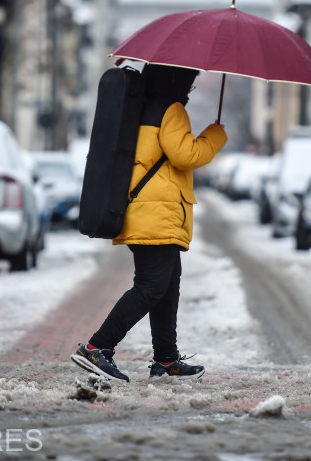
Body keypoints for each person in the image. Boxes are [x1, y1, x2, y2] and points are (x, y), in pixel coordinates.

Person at [70, 64, 228, 382]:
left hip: (146, 210)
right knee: (151, 286)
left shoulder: (141, 107)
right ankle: (96, 347)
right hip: (158, 213)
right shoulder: (170, 108)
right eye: (191, 81)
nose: (191, 86)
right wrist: (214, 137)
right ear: (180, 80)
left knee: (167, 286)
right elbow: (185, 155)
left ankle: (166, 359)